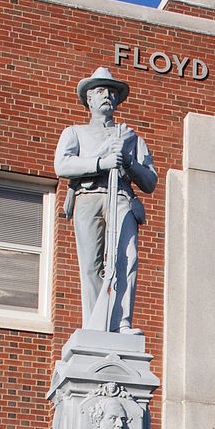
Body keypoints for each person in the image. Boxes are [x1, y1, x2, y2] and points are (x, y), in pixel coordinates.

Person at [54, 67, 157, 332]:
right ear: (89, 100)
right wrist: (102, 162)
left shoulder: (130, 136)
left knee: (126, 258)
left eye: (111, 91)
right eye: (100, 91)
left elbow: (150, 182)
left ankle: (122, 322)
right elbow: (62, 166)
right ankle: (94, 324)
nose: (107, 96)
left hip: (121, 196)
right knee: (90, 264)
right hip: (88, 197)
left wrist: (129, 162)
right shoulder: (74, 133)